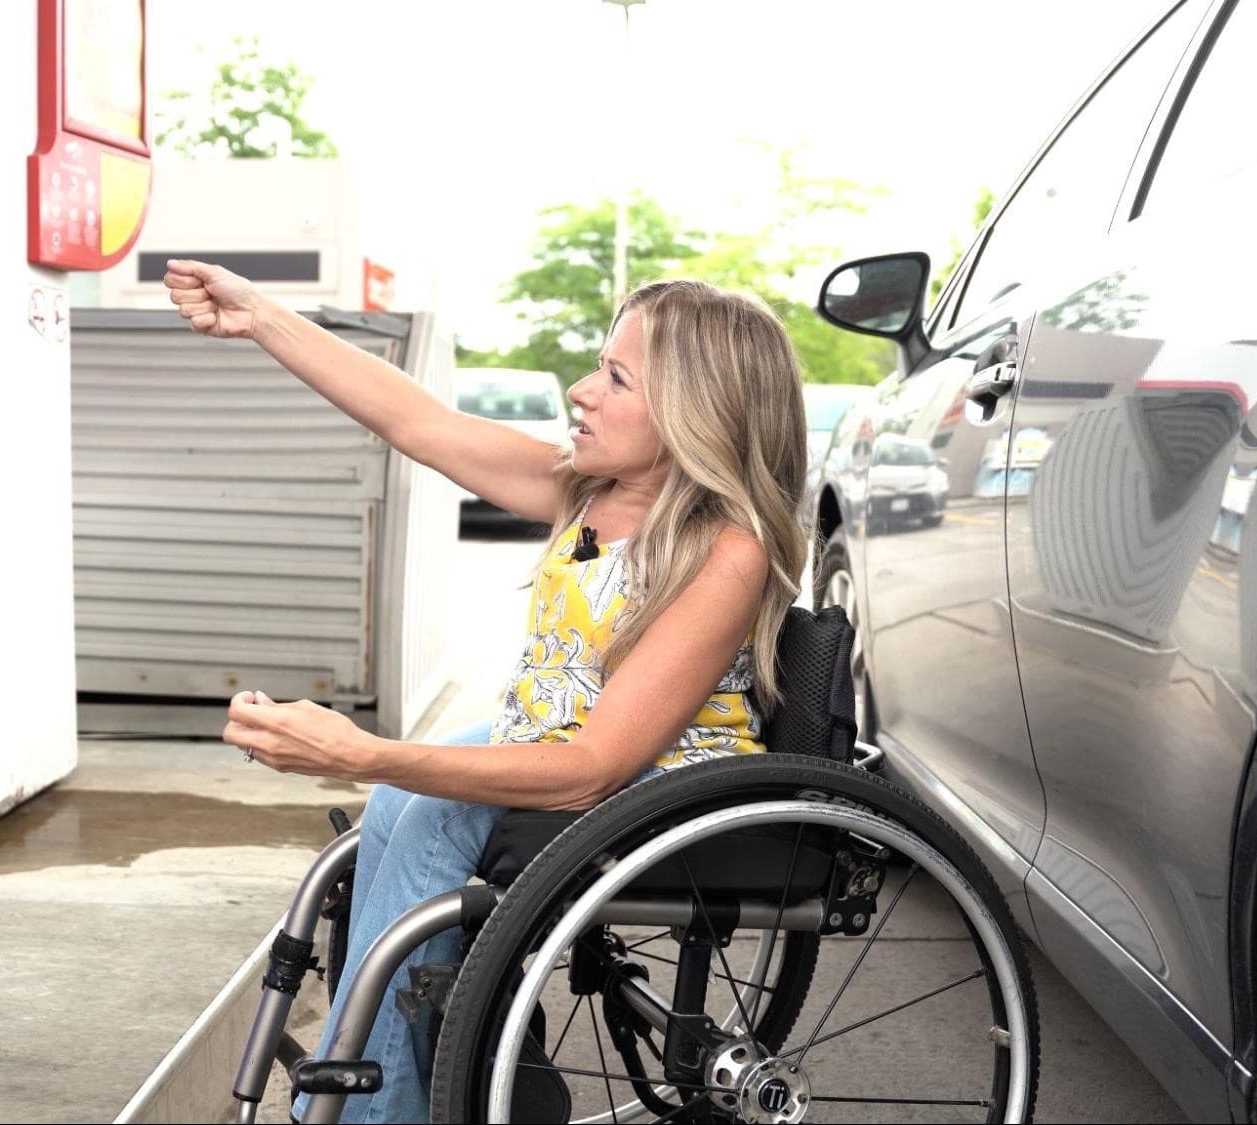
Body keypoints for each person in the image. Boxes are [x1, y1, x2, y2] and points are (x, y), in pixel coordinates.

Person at [162, 259, 809, 1123]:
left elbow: (593, 768)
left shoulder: (724, 552)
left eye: (615, 377)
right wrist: (263, 317)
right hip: (563, 749)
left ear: (698, 411)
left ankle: (366, 1107)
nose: (580, 391)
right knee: (403, 793)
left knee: (430, 802)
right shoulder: (583, 494)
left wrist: (357, 751)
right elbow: (416, 420)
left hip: (669, 785)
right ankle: (391, 1067)